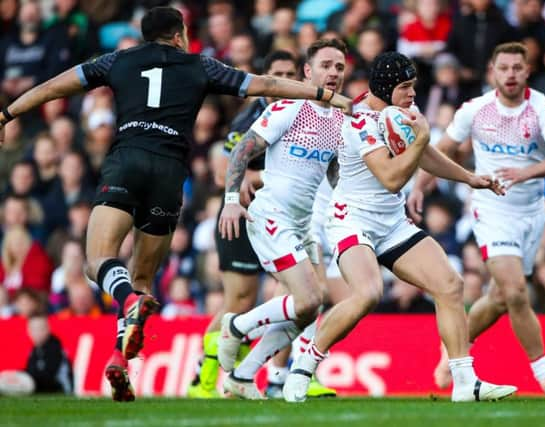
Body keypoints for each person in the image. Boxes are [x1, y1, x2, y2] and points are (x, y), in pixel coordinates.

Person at [0, 6, 352, 402]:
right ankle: (120, 355)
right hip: (170, 176)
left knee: (98, 260)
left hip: (126, 163)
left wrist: (7, 113)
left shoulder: (118, 59)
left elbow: (53, 87)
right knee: (144, 278)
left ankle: (127, 303)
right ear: (180, 34)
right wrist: (323, 94)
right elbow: (264, 83)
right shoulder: (200, 65)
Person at [282, 51, 516, 403]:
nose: (412, 94)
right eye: (405, 87)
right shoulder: (359, 120)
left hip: (391, 223)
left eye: (413, 86)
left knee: (450, 284)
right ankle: (304, 364)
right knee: (367, 294)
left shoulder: (400, 113)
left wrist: (470, 179)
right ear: (387, 87)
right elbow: (391, 177)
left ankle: (466, 382)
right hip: (352, 219)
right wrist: (421, 139)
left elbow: (423, 153)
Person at [408, 42, 545, 398]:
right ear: (492, 72)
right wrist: (419, 187)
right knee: (515, 291)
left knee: (499, 298)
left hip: (531, 213)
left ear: (527, 71)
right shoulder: (476, 110)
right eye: (504, 68)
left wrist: (527, 172)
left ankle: (454, 351)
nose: (510, 74)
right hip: (490, 209)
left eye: (517, 67)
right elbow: (443, 150)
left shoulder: (543, 108)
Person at [217, 38, 347, 399]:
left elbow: (333, 172)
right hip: (271, 215)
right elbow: (242, 149)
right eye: (325, 65)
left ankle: (242, 377)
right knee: (307, 299)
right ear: (308, 72)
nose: (333, 73)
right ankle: (237, 326)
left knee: (309, 308)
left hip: (304, 223)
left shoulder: (339, 118)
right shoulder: (289, 107)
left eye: (339, 66)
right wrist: (231, 200)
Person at [187, 50, 300, 399]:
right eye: (278, 73)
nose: (284, 81)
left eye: (290, 74)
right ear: (266, 78)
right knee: (237, 300)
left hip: (277, 218)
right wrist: (267, 175)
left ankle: (278, 374)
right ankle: (203, 380)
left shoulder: (299, 115)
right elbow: (224, 172)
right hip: (241, 216)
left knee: (289, 294)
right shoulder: (248, 119)